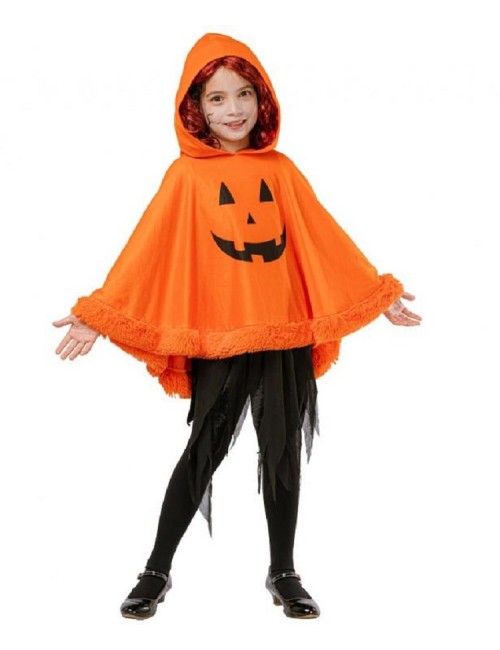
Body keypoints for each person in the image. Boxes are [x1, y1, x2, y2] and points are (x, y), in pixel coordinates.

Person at [53, 32, 422, 621]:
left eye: (244, 94)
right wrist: (100, 312)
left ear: (262, 99)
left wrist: (376, 293)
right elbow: (148, 250)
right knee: (204, 448)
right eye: (218, 98)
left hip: (283, 330)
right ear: (196, 109)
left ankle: (284, 571)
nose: (233, 109)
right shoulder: (187, 178)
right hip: (221, 333)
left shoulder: (281, 171)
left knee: (281, 450)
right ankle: (156, 570)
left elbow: (322, 238)